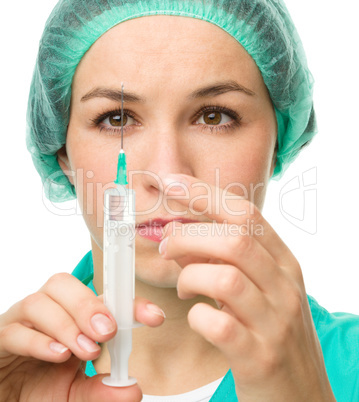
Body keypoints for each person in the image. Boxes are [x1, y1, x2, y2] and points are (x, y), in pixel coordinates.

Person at [0, 0, 358, 401]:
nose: (168, 176)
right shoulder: (12, 375)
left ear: (279, 140)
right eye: (116, 118)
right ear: (61, 152)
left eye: (214, 116)